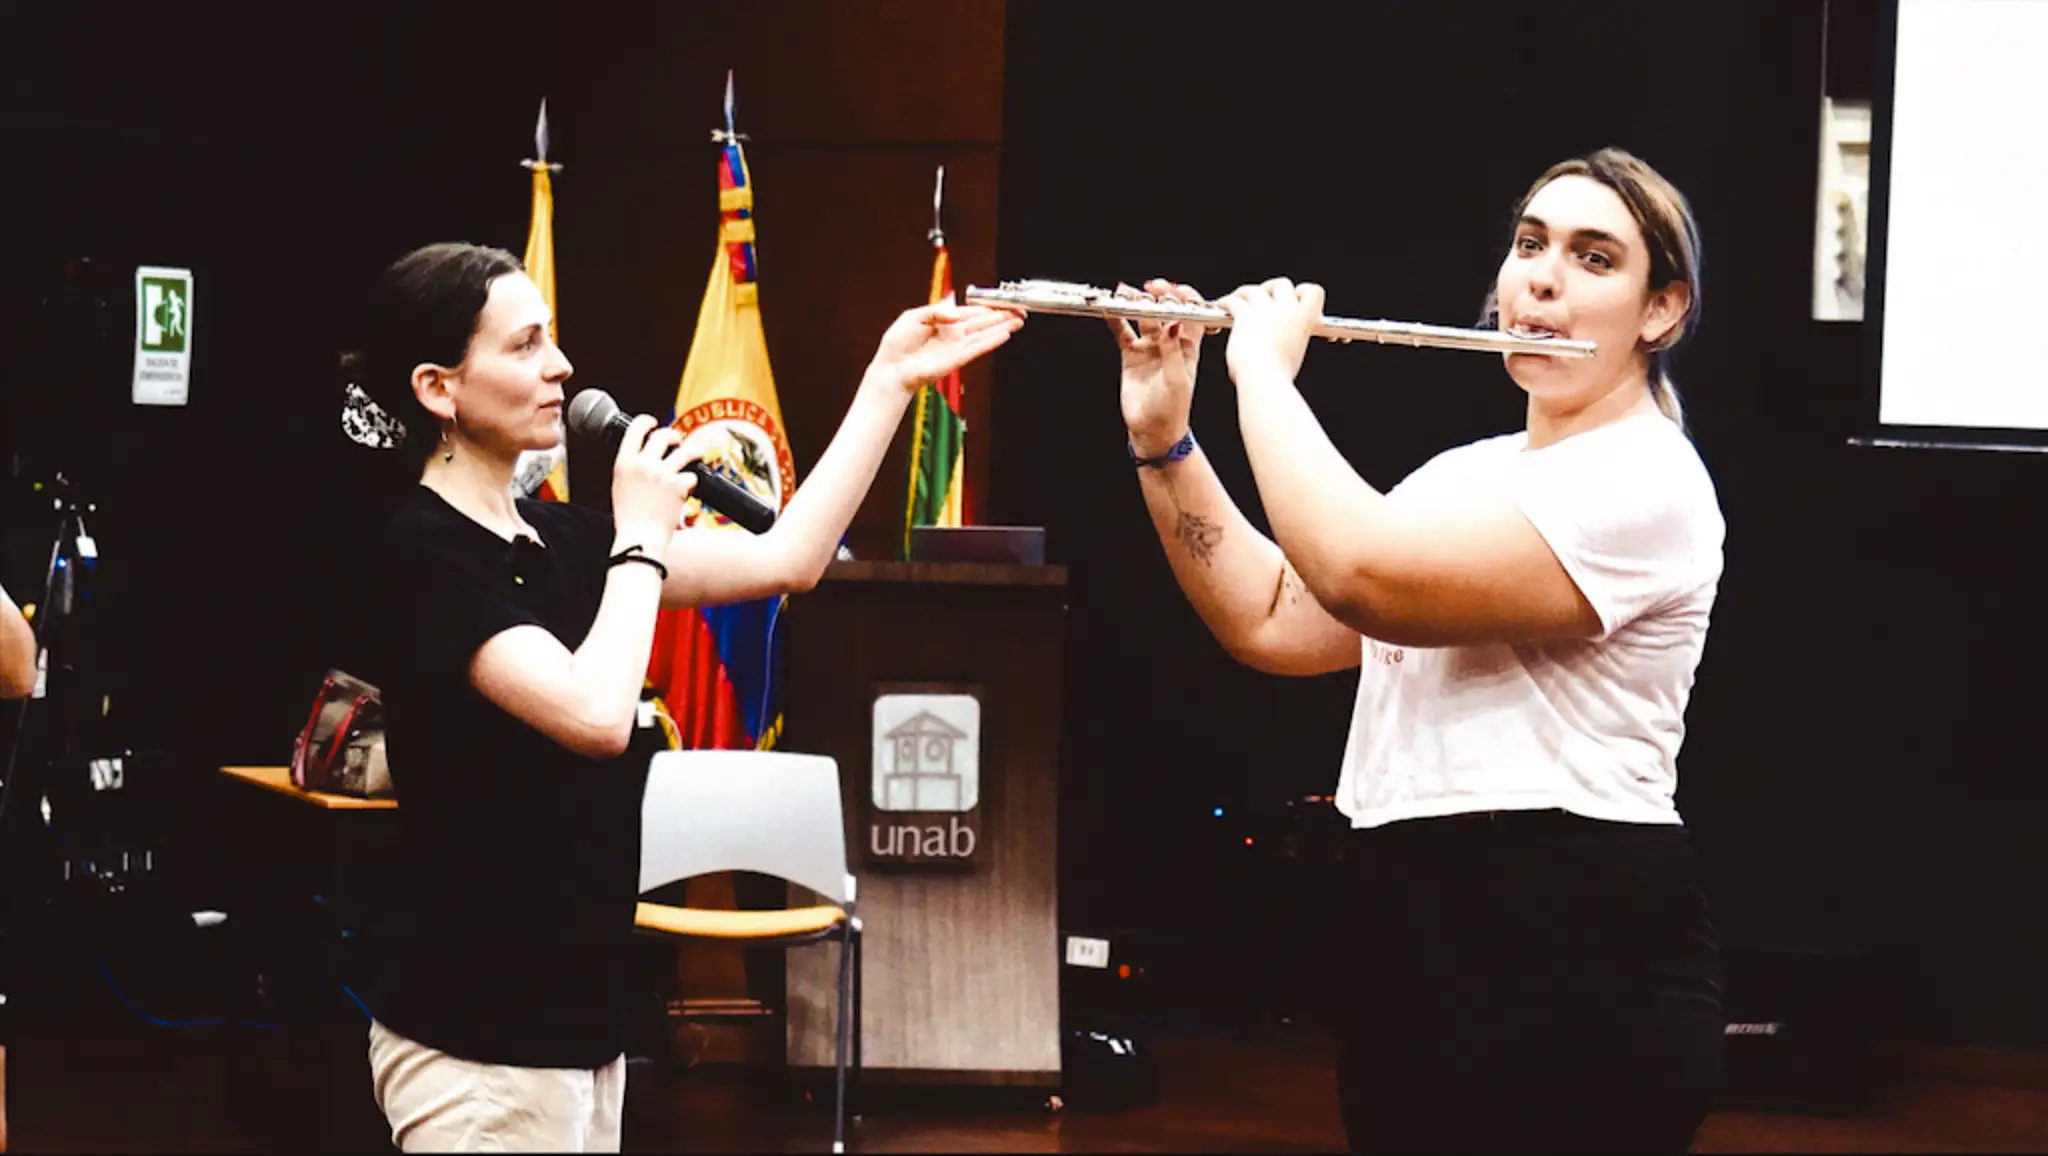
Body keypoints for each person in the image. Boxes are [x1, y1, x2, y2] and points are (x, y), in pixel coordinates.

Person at [341, 241, 1020, 1152]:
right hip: (475, 1036)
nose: (561, 366)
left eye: (555, 340)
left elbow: (791, 559)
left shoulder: (562, 539)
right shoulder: (420, 553)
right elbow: (591, 716)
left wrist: (889, 379)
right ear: (438, 389)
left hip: (581, 1027)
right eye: (526, 345)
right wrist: (643, 538)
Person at [1112, 148, 1724, 1153]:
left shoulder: (1648, 478)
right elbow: (1271, 615)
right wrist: (1164, 436)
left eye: (1591, 257)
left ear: (1659, 310)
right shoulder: (1463, 472)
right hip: (1417, 921)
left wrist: (1259, 372)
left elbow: (1360, 573)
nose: (1539, 277)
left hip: (1576, 936)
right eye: (1528, 244)